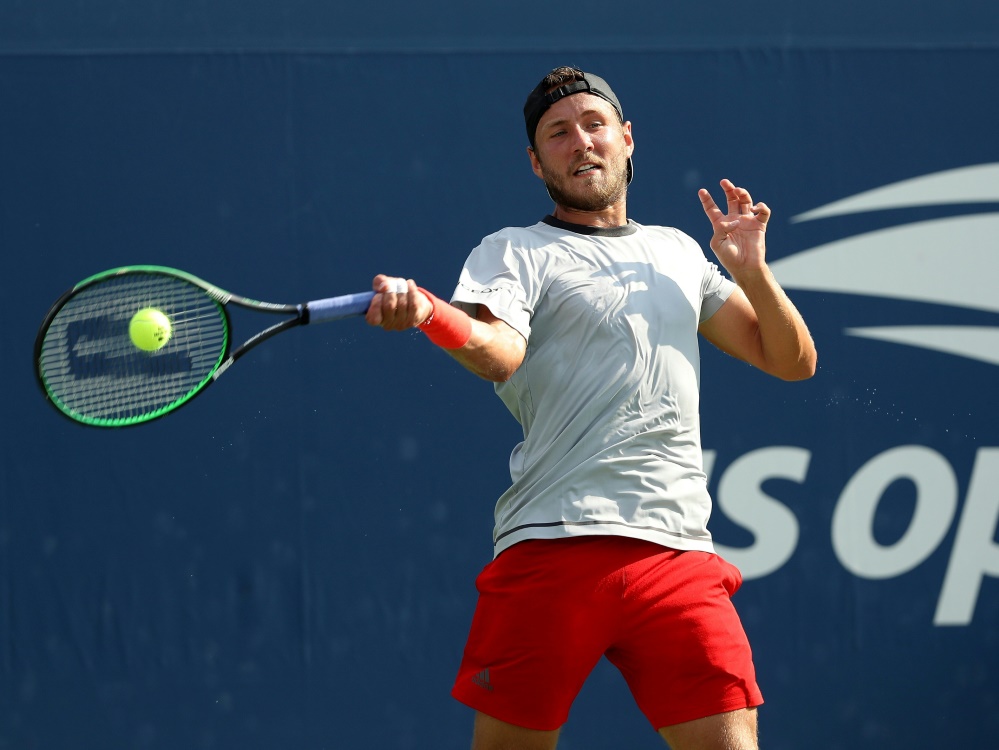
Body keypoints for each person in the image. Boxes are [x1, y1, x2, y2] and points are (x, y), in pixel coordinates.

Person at [364, 66, 816, 750]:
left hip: (678, 555)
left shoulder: (677, 251)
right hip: (552, 547)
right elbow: (498, 353)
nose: (581, 143)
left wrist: (751, 268)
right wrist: (431, 312)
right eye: (558, 133)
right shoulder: (513, 251)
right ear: (535, 159)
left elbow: (790, 362)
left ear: (626, 139)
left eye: (594, 125)